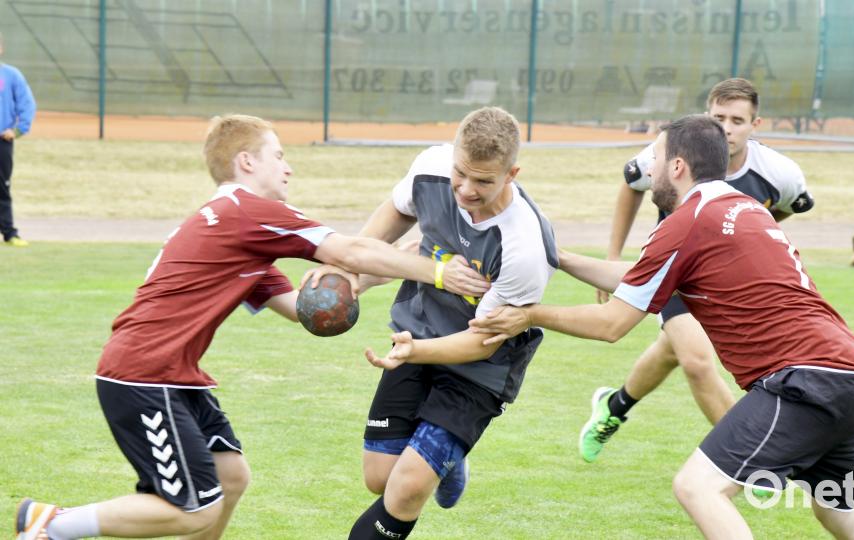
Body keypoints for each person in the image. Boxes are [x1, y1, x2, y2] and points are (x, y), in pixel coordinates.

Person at [14, 114, 491, 540]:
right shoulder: (246, 212)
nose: (288, 168)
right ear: (246, 162)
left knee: (231, 475)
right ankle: (52, 525)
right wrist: (438, 272)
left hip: (169, 376)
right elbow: (349, 249)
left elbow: (304, 309)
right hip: (143, 374)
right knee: (194, 510)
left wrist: (388, 267)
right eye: (278, 156)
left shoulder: (231, 230)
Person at [471, 115, 854, 539]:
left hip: (804, 382)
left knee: (697, 487)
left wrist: (530, 314)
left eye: (655, 157)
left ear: (677, 166)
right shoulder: (744, 207)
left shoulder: (688, 221)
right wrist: (561, 258)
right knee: (842, 516)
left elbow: (611, 324)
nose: (649, 168)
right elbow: (640, 276)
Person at [340, 106, 557, 540]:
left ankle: (438, 459)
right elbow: (396, 212)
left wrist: (414, 351)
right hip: (419, 329)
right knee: (380, 478)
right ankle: (449, 461)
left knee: (407, 487)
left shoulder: (525, 246)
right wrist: (347, 262)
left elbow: (482, 343)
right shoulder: (431, 168)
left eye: (484, 181)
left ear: (512, 174)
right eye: (461, 173)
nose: (466, 189)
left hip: (479, 371)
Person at [581, 77, 816, 463]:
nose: (727, 128)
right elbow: (632, 183)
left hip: (727, 283)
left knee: (671, 351)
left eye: (738, 120)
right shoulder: (673, 150)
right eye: (719, 117)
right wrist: (613, 255)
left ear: (756, 125)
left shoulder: (779, 172)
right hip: (677, 273)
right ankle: (755, 459)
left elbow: (791, 205)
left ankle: (614, 405)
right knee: (696, 360)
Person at [0, 31, 37, 247]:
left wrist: (18, 130)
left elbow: (27, 103)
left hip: (2, 142)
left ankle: (9, 233)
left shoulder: (11, 75)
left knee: (2, 188)